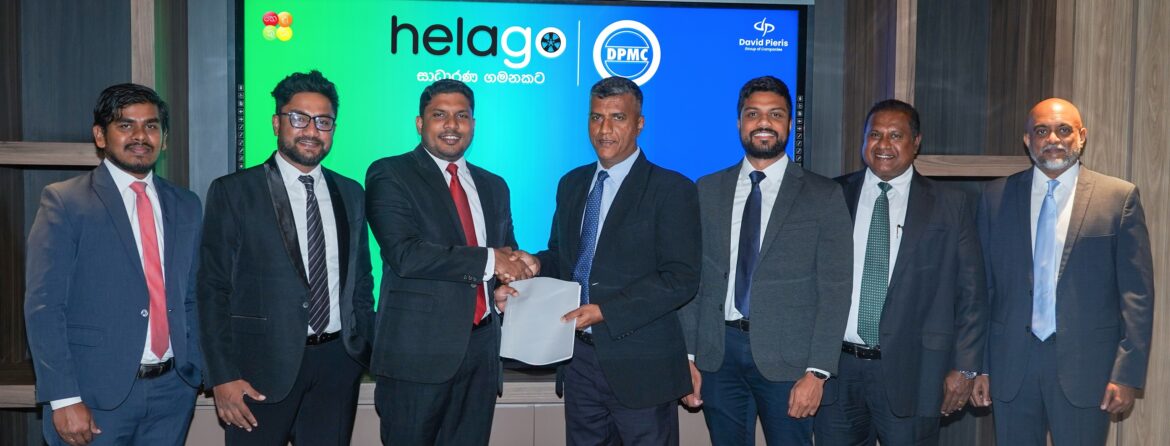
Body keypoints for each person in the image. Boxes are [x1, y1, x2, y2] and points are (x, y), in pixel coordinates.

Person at [512, 76, 700, 445]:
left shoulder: (672, 189)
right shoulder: (571, 183)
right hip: (579, 362)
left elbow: (681, 278)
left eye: (617, 117)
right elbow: (563, 257)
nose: (604, 129)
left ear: (639, 124)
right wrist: (535, 264)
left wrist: (606, 311)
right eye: (596, 117)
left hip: (643, 367)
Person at [197, 70, 374, 445]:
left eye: (323, 121)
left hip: (337, 365)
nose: (311, 130)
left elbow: (360, 281)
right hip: (257, 369)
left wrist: (360, 352)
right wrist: (222, 375)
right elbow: (212, 289)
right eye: (299, 118)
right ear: (277, 123)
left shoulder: (351, 192)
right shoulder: (234, 192)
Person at [25, 83, 204, 445]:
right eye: (125, 125)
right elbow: (44, 307)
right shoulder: (64, 202)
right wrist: (63, 397)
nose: (140, 136)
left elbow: (191, 295)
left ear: (164, 139)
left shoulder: (186, 204)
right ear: (100, 136)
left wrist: (194, 370)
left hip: (172, 394)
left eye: (151, 126)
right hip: (93, 397)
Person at [678, 75, 851, 445]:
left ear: (790, 124)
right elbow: (694, 282)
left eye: (775, 114)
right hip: (717, 355)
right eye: (753, 113)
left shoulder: (823, 195)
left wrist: (818, 371)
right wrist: (687, 357)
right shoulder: (707, 190)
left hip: (790, 364)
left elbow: (836, 290)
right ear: (739, 122)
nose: (764, 122)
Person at [972, 97, 1154, 444]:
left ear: (1082, 136)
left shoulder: (1118, 198)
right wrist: (980, 366)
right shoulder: (995, 197)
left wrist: (1127, 373)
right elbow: (984, 290)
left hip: (1088, 368)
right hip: (1011, 366)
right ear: (1028, 140)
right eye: (1042, 131)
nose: (1053, 139)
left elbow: (1137, 297)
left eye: (1064, 130)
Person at [365, 78, 536, 445]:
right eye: (439, 115)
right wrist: (492, 260)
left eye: (462, 116)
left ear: (473, 124)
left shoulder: (494, 185)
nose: (452, 125)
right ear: (420, 123)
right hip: (417, 356)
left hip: (482, 352)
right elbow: (406, 254)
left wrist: (511, 278)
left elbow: (504, 255)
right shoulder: (390, 174)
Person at [813, 99, 987, 445]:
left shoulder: (951, 204)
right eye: (874, 134)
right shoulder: (832, 195)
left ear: (916, 142)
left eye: (896, 135)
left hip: (915, 371)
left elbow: (972, 294)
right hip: (838, 371)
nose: (883, 144)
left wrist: (966, 367)